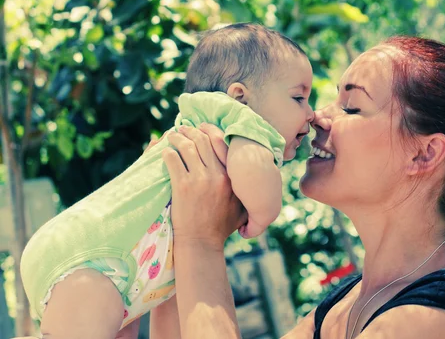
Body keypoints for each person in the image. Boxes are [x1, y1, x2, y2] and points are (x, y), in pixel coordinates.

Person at [160, 36, 445, 339]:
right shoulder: (345, 305)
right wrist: (168, 234)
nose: (316, 117)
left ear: (424, 155)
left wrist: (200, 241)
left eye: (351, 105)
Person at [18, 23, 314, 339]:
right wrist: (261, 216)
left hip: (93, 263)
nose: (310, 114)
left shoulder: (199, 123)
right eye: (299, 98)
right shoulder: (240, 122)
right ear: (240, 96)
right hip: (95, 260)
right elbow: (254, 174)